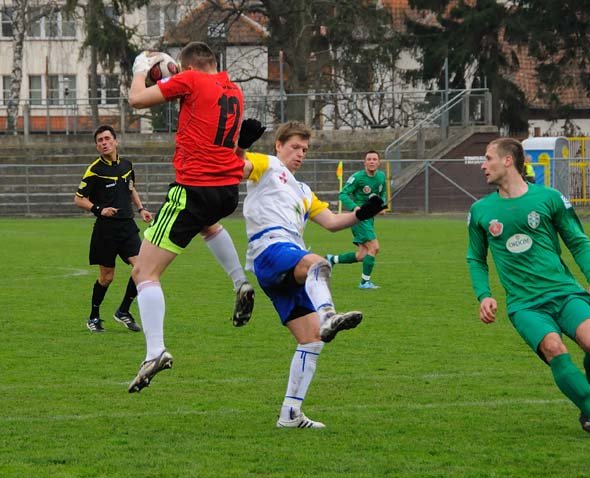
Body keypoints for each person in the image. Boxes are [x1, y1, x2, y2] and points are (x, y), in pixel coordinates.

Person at [125, 42, 264, 393]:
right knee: (209, 225)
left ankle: (155, 351)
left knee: (143, 271)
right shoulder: (232, 87)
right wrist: (174, 71)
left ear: (188, 67)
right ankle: (239, 282)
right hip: (227, 188)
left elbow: (137, 100)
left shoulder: (190, 82)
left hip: (194, 189)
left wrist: (141, 68)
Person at [467, 138, 590, 440]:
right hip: (525, 305)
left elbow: (577, 239)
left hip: (564, 292)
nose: (483, 165)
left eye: (488, 158)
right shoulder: (481, 210)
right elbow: (476, 257)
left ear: (508, 161)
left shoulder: (549, 198)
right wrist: (484, 295)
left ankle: (589, 394)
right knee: (553, 347)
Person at [241, 121, 386, 428]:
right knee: (319, 264)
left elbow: (332, 222)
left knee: (311, 340)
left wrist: (362, 213)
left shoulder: (304, 190)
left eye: (304, 149)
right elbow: (230, 167)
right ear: (278, 145)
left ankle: (290, 414)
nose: (300, 154)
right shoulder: (266, 165)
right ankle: (329, 314)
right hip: (270, 248)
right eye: (294, 147)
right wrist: (239, 145)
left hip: (286, 263)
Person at [74, 125, 153, 333]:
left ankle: (123, 311)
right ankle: (93, 317)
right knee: (107, 278)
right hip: (106, 230)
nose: (104, 143)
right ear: (97, 146)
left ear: (115, 141)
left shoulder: (127, 165)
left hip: (127, 227)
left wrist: (141, 208)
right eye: (99, 140)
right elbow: (78, 199)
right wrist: (99, 209)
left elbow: (131, 188)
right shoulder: (94, 170)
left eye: (107, 138)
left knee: (142, 269)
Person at [326, 150, 387, 289]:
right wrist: (354, 207)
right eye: (369, 159)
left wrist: (381, 206)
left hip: (370, 218)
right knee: (374, 247)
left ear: (379, 162)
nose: (371, 161)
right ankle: (364, 283)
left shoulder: (381, 177)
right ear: (365, 162)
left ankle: (332, 259)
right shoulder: (358, 177)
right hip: (360, 219)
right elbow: (343, 194)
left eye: (374, 159)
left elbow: (382, 193)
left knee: (362, 255)